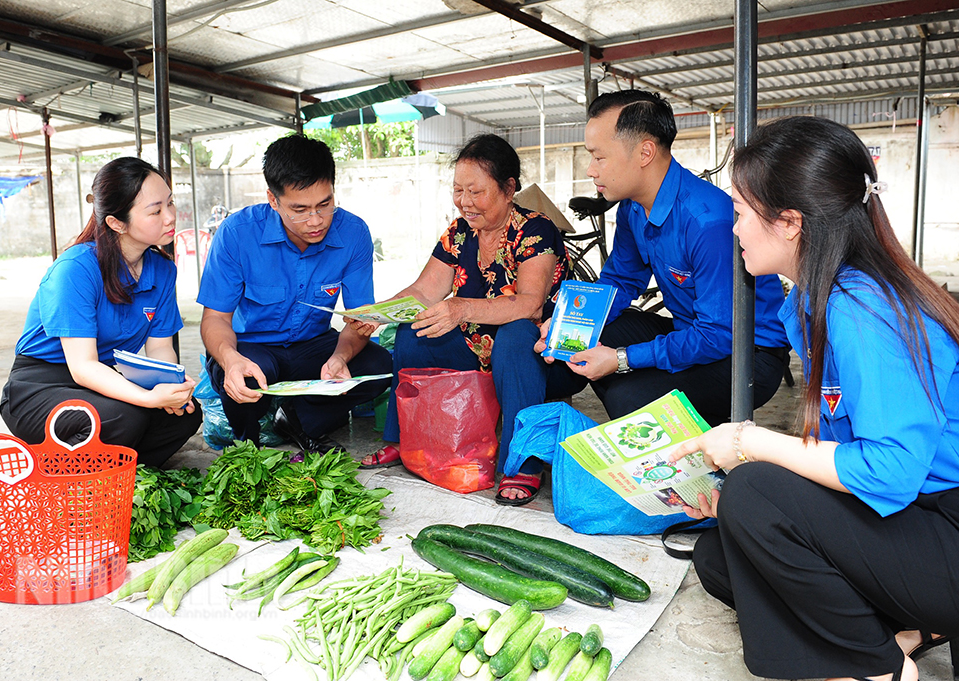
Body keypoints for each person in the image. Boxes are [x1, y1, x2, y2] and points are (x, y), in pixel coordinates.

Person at [670, 116, 959, 681]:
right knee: (722, 551)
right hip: (911, 520)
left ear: (790, 223)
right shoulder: (811, 301)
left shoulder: (862, 308)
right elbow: (836, 446)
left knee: (755, 495)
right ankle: (910, 628)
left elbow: (891, 471)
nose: (732, 230)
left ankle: (875, 667)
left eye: (739, 215)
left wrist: (751, 443)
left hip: (943, 521)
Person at [499, 89, 791, 503]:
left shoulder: (707, 219)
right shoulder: (634, 208)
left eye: (599, 156)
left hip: (748, 356)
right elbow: (620, 280)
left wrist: (619, 360)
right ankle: (525, 461)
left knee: (626, 393)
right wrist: (567, 321)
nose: (591, 168)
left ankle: (706, 474)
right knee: (526, 339)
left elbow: (720, 335)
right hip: (696, 332)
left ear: (645, 152)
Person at [360, 134, 582, 503]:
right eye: (458, 190)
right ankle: (408, 440)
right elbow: (424, 291)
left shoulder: (536, 230)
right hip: (480, 349)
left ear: (509, 189)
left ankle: (522, 462)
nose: (464, 202)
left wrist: (461, 307)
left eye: (476, 192)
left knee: (515, 335)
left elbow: (529, 304)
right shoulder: (460, 232)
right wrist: (375, 314)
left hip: (544, 356)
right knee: (412, 333)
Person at [0, 157, 201, 467]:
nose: (170, 216)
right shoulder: (75, 269)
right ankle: (70, 477)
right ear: (116, 222)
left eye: (171, 203)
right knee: (123, 416)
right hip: (40, 387)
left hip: (101, 379)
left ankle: (123, 474)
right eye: (156, 210)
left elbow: (161, 347)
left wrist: (170, 384)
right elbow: (83, 367)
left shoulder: (162, 270)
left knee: (185, 414)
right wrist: (149, 397)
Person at [198, 133, 391, 453]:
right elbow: (215, 318)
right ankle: (249, 442)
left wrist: (340, 358)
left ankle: (293, 418)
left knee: (379, 366)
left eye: (325, 204)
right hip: (253, 347)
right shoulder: (237, 234)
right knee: (245, 381)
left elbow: (359, 320)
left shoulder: (353, 232)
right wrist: (230, 360)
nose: (315, 221)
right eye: (299, 209)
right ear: (273, 201)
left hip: (313, 347)